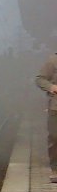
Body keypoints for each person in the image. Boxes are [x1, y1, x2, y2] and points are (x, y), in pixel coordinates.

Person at [37, 47, 57, 183]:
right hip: (55, 107)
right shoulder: (53, 60)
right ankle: (55, 169)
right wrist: (51, 87)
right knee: (55, 137)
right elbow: (40, 79)